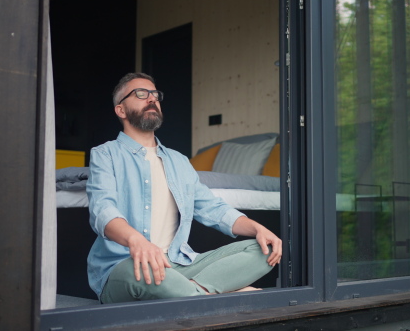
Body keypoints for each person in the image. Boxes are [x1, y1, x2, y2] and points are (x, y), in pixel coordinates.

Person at [86, 72, 282, 303]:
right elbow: (102, 210)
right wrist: (136, 241)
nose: (151, 99)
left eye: (155, 95)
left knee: (264, 248)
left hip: (179, 265)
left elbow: (213, 208)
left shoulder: (178, 161)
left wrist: (257, 228)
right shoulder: (105, 154)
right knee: (151, 273)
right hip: (125, 265)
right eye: (140, 94)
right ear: (121, 110)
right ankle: (222, 292)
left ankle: (194, 293)